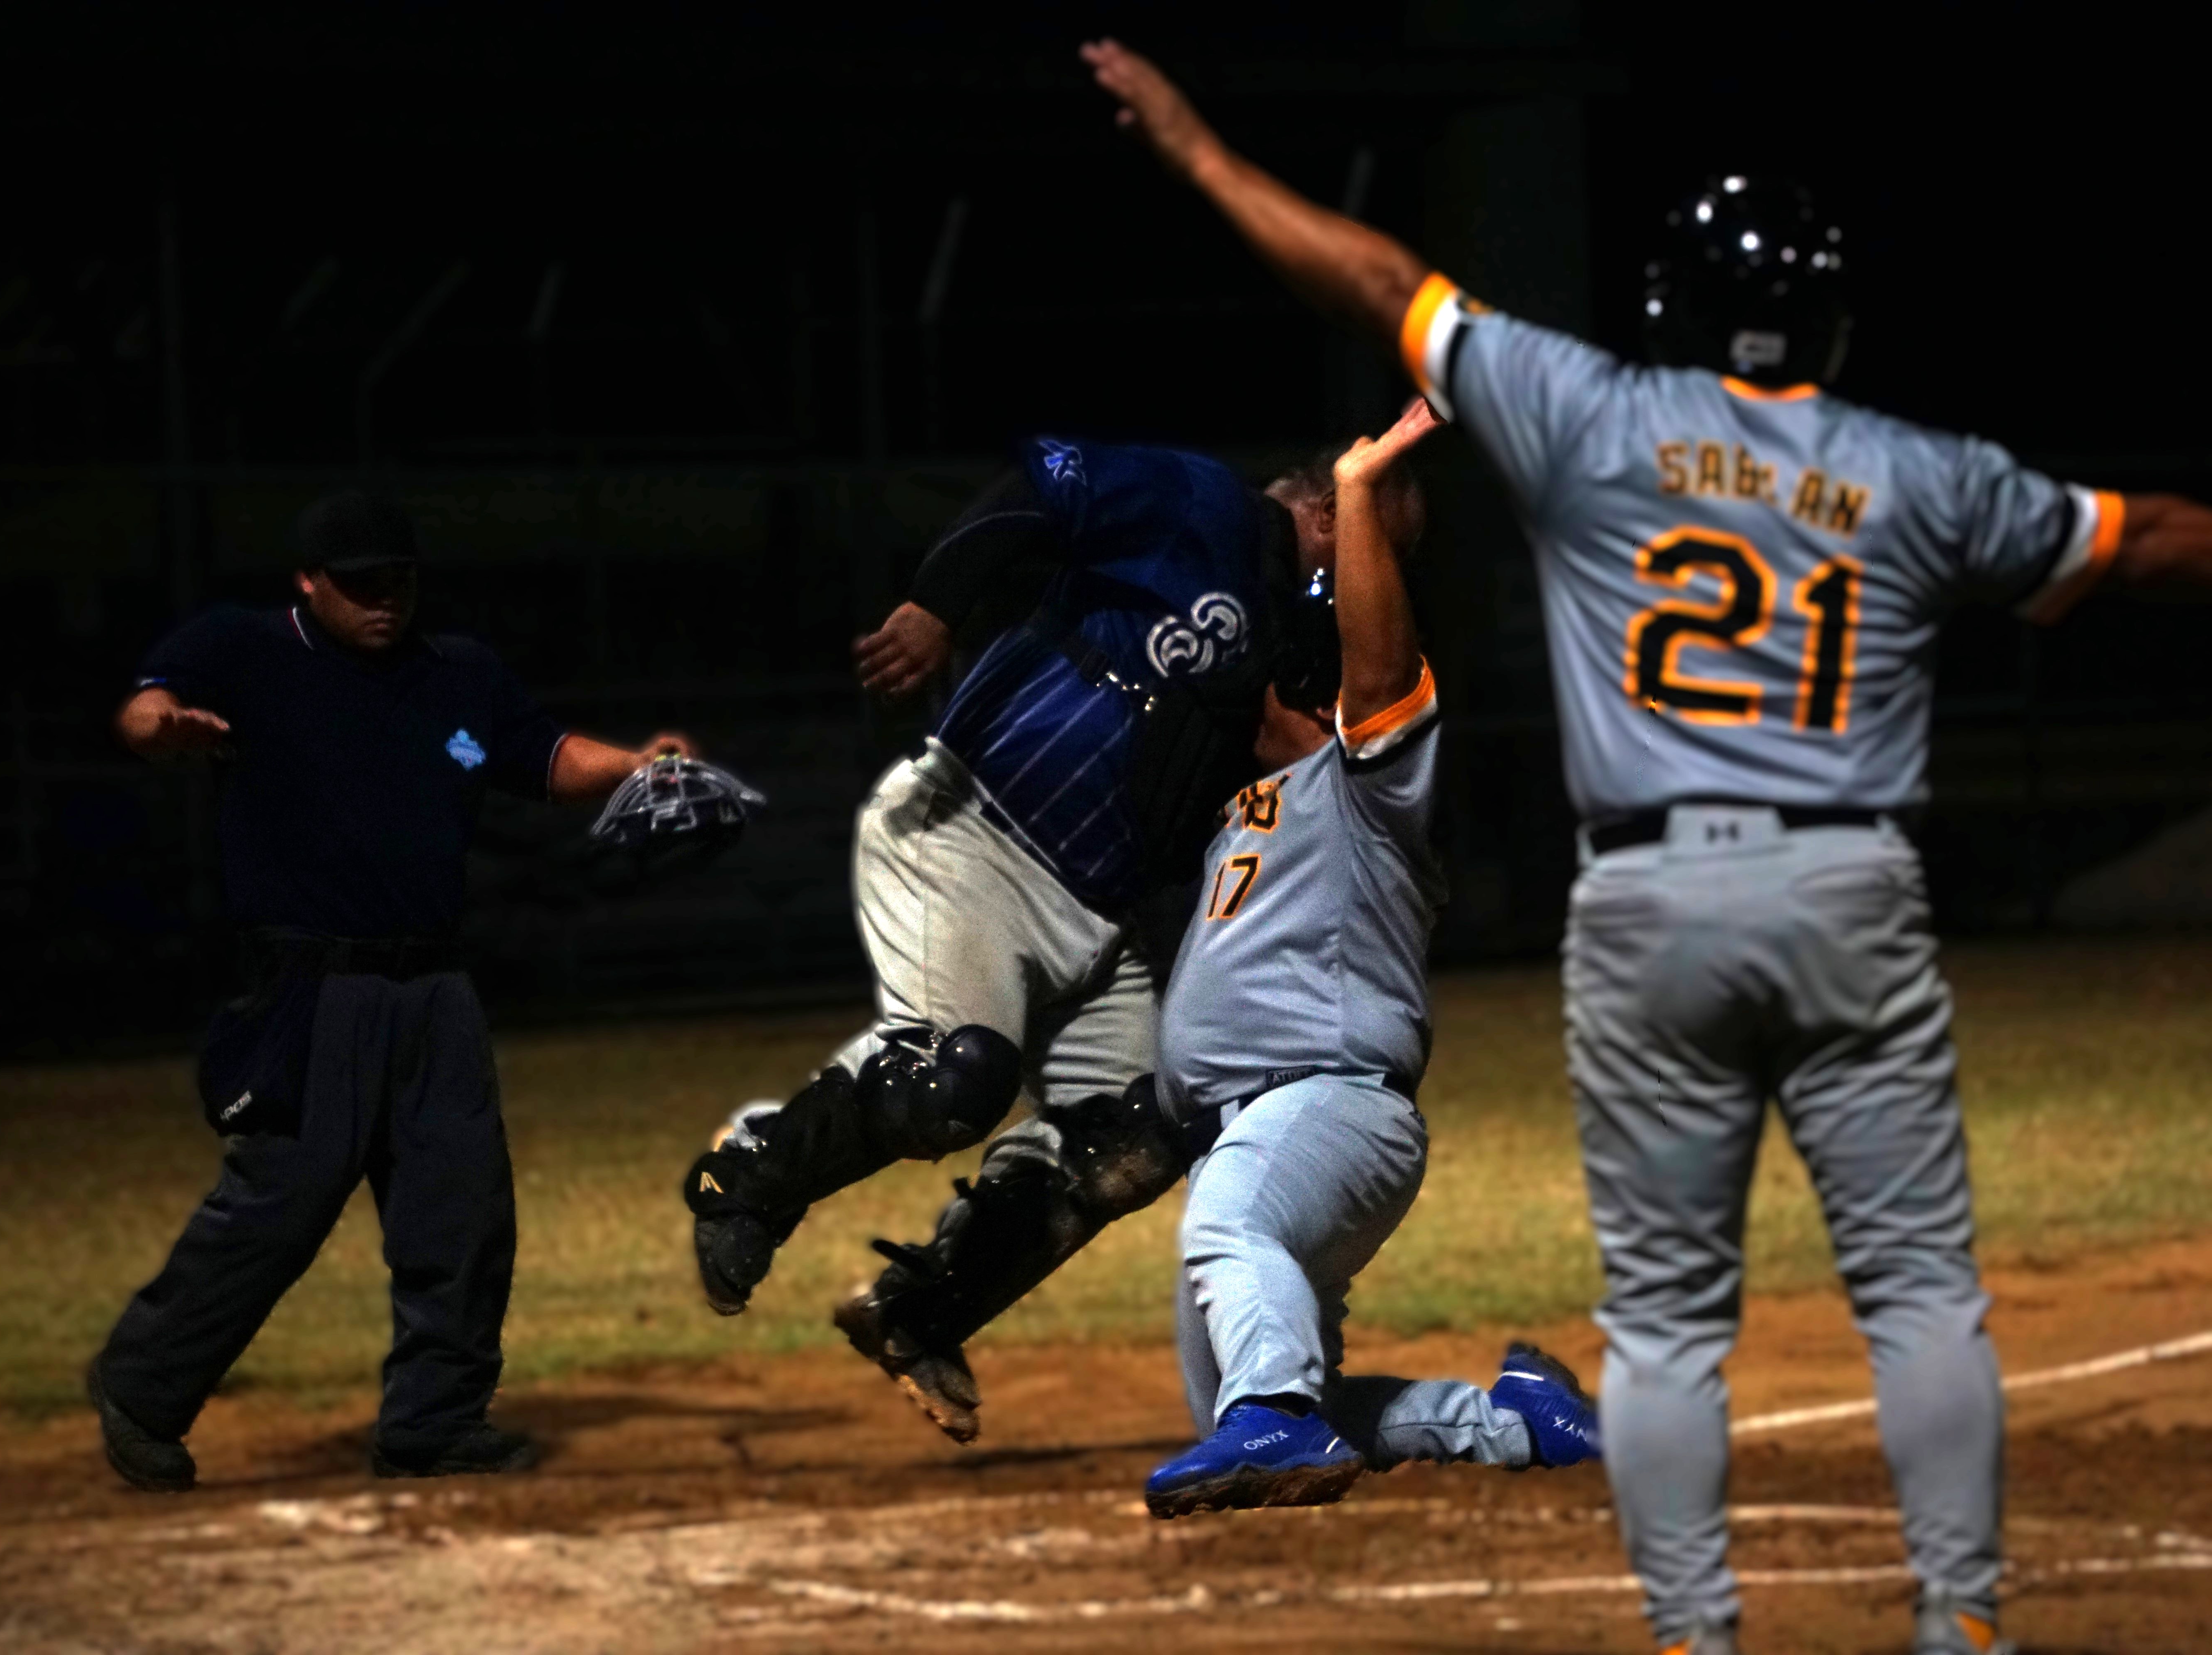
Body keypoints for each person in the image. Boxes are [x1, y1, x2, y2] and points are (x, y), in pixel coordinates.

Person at [1084, 37, 2212, 1655]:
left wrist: (1196, 154)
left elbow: (1381, 279)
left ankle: (1691, 1633)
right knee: (1913, 1290)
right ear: (1827, 321)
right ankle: (1959, 1620)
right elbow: (2142, 541)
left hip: (1647, 896)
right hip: (1847, 884)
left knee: (1670, 1321)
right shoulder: (1913, 467)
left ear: (1668, 308)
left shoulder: (1593, 408)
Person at [683, 435, 1417, 1444]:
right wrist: (934, 604)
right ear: (1327, 508)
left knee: (1138, 1132)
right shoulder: (1198, 502)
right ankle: (756, 1168)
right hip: (975, 833)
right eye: (1372, 535)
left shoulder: (1300, 636)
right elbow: (1039, 484)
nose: (1373, 569)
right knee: (953, 1083)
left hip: (1105, 914)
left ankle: (919, 1311)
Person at [86, 491, 689, 1492]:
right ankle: (142, 1383)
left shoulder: (456, 674)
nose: (382, 601)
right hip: (311, 982)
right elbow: (148, 703)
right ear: (308, 582)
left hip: (436, 985)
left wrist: (639, 767)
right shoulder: (247, 648)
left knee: (460, 1208)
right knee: (281, 1201)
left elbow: (542, 758)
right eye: (360, 584)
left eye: (397, 581)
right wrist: (157, 725)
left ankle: (434, 1421)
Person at [1145, 397, 1600, 1519]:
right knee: (1235, 1404)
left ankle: (1281, 1415)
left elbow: (1379, 657)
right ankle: (1507, 1423)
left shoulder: (1368, 780)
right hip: (1253, 1126)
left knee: (1234, 1248)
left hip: (1329, 1105)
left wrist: (1353, 496)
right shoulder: (1239, 803)